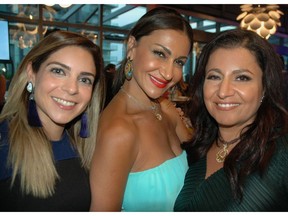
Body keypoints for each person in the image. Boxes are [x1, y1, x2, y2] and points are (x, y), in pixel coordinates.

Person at [90, 7, 194, 212]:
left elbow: (199, 153)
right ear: (132, 46)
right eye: (160, 53)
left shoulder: (163, 108)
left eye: (179, 62)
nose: (168, 73)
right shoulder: (119, 131)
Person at [174, 29, 288, 211]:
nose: (223, 91)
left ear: (265, 87)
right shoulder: (198, 143)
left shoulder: (281, 156)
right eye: (214, 76)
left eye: (242, 78)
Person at [0, 30, 105, 211]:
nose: (72, 89)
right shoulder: (4, 145)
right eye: (58, 71)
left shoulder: (87, 146)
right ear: (32, 73)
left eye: (85, 79)